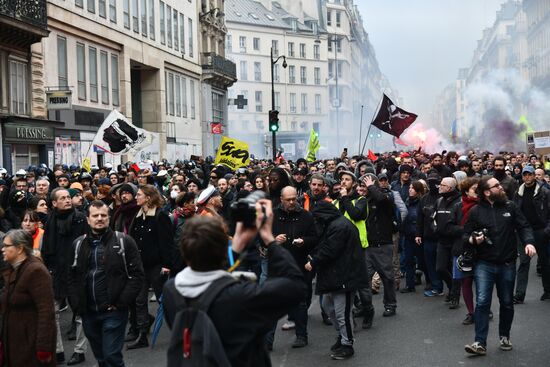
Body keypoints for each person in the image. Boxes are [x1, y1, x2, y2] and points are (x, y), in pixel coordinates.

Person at [163, 199, 305, 367]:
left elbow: (209, 277)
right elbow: (296, 286)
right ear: (224, 252)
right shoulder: (240, 296)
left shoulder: (171, 290)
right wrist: (268, 237)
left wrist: (235, 248)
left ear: (185, 252)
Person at [464, 177, 536, 356]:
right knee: (482, 302)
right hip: (484, 264)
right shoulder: (475, 211)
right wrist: (473, 239)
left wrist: (529, 242)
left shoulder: (510, 207)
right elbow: (464, 236)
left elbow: (524, 226)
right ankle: (480, 343)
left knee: (506, 303)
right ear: (487, 192)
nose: (501, 187)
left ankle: (504, 336)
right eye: (496, 186)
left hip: (507, 263)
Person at [68, 200, 144, 367]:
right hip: (88, 311)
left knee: (111, 356)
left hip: (114, 311)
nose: (99, 218)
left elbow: (137, 275)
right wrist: (77, 305)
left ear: (109, 218)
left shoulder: (124, 241)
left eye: (103, 215)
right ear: (88, 219)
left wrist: (121, 302)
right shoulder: (78, 244)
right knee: (101, 357)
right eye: (95, 216)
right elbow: (72, 278)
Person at [306, 201, 366, 360]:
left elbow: (330, 249)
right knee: (328, 306)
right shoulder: (335, 224)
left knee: (342, 313)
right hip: (337, 275)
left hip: (345, 276)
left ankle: (347, 344)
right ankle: (342, 336)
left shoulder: (338, 226)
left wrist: (313, 261)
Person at [41, 187, 89, 364]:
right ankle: (58, 350)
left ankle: (79, 350)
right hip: (56, 272)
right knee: (52, 313)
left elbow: (87, 244)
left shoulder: (80, 219)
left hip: (77, 272)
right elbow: (47, 248)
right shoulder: (50, 220)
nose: (67, 200)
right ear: (54, 203)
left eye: (68, 197)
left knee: (80, 314)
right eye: (62, 198)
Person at [127, 184, 176, 349]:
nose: (136, 197)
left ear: (148, 197)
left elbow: (167, 243)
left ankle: (178, 332)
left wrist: (167, 265)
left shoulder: (160, 216)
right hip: (140, 267)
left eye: (139, 195)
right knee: (139, 301)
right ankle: (142, 334)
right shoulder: (138, 216)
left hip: (157, 266)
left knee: (165, 301)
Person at [270, 186, 318, 349]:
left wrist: (304, 241)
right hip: (278, 266)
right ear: (282, 200)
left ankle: (301, 336)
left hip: (298, 264)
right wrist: (274, 240)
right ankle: (267, 341)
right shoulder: (273, 216)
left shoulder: (306, 216)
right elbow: (261, 239)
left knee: (300, 303)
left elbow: (314, 238)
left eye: (294, 199)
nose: (292, 202)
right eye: (288, 200)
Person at [1, 229, 56, 367]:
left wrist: (43, 347)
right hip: (15, 342)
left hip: (30, 344)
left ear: (19, 249)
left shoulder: (36, 271)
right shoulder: (13, 269)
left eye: (6, 246)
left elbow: (46, 311)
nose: (2, 249)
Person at [513, 165, 550, 303]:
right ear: (522, 176)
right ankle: (519, 295)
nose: (527, 177)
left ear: (534, 175)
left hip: (540, 231)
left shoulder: (544, 192)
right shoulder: (518, 192)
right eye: (525, 175)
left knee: (544, 262)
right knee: (523, 262)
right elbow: (514, 211)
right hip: (523, 231)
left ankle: (547, 290)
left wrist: (546, 231)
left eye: (529, 174)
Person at [401, 181, 425, 292]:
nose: (410, 189)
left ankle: (431, 283)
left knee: (423, 261)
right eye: (410, 187)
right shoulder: (406, 202)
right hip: (408, 235)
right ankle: (409, 285)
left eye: (413, 188)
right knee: (408, 261)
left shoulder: (422, 203)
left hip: (419, 236)